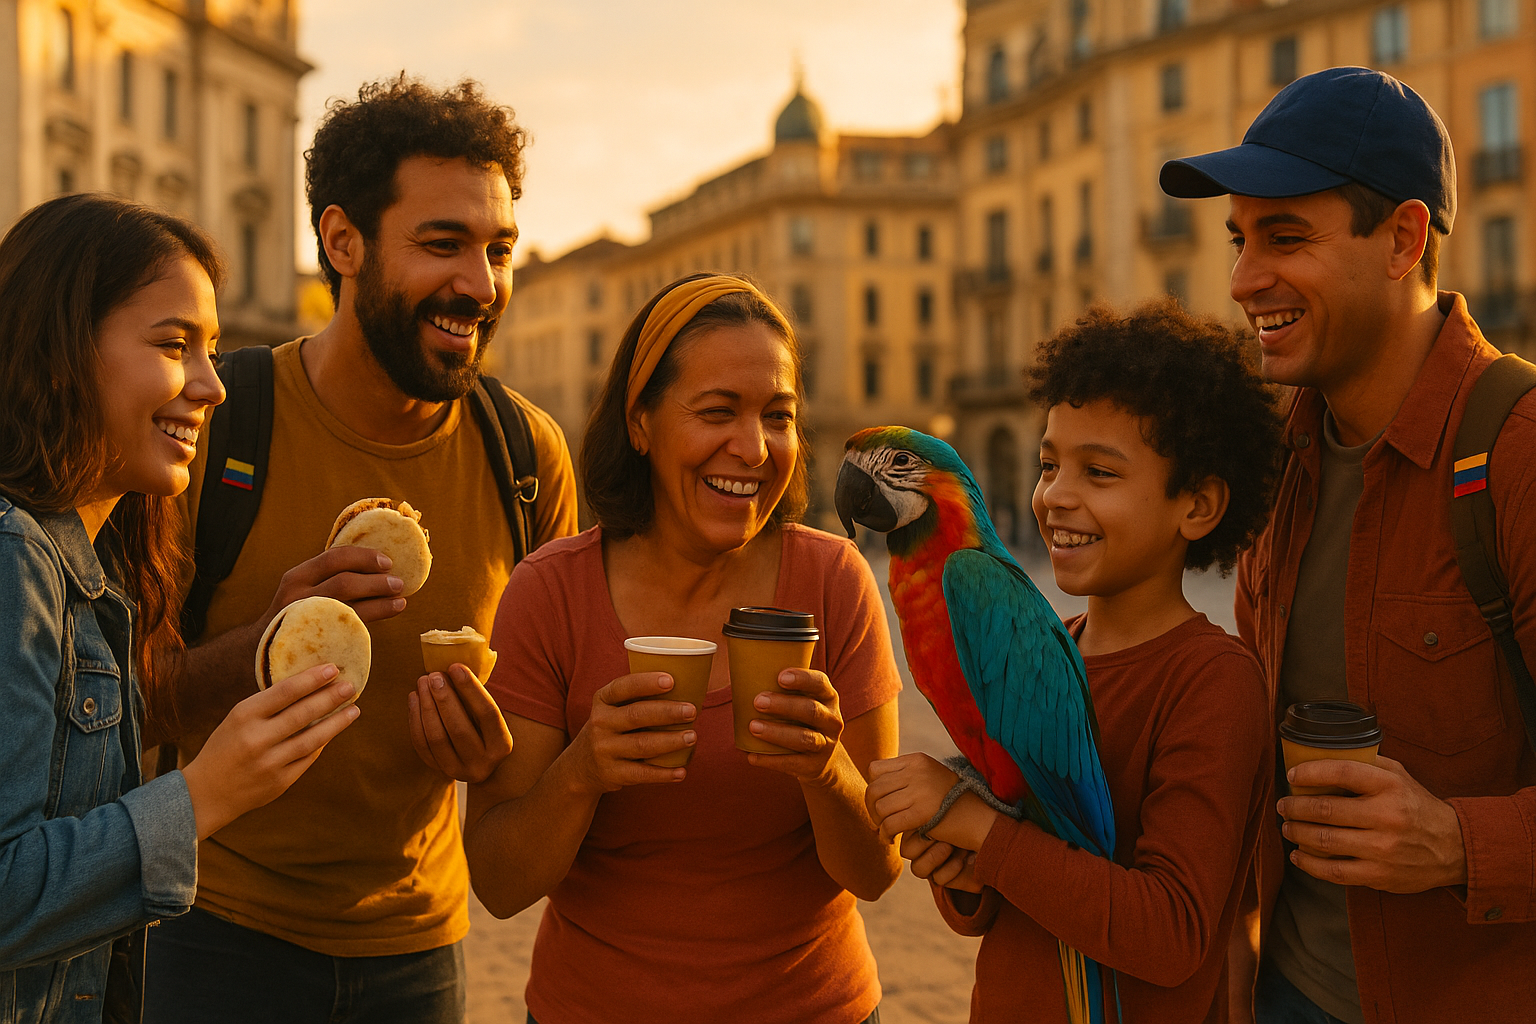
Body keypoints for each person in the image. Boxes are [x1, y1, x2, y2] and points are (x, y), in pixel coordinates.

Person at [141, 77, 579, 1023]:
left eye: (499, 249)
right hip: (208, 929)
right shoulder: (216, 423)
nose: (480, 283)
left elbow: (546, 741)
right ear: (343, 242)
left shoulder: (528, 459)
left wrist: (494, 748)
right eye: (442, 243)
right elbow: (116, 705)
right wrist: (263, 645)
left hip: (420, 951)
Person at [1160, 66, 1536, 1023]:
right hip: (1290, 987)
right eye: (1239, 240)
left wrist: (1458, 842)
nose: (1243, 280)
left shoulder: (1520, 451)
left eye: (1286, 237)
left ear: (1405, 239)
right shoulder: (1277, 461)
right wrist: (1236, 953)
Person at [463, 273, 903, 1024]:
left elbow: (875, 872)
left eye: (778, 416)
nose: (754, 448)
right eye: (717, 412)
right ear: (641, 424)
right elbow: (501, 886)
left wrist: (826, 771)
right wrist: (583, 771)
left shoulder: (833, 581)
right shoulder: (549, 594)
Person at [865, 299, 1285, 1022]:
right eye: (1049, 464)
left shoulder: (1213, 680)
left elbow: (1171, 934)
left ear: (1198, 505)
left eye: (1100, 472)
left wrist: (976, 827)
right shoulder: (1040, 643)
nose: (1056, 496)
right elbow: (1006, 899)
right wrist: (961, 870)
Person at [0, 194, 359, 1023]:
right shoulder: (17, 557)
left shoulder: (90, 565)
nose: (212, 385)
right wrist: (207, 794)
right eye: (172, 345)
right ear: (61, 349)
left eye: (212, 347)